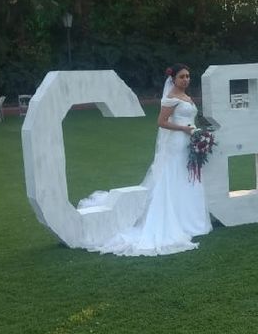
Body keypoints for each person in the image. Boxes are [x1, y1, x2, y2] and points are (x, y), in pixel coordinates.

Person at [87, 63, 211, 256]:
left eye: (188, 76)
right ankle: (174, 220)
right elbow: (161, 122)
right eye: (182, 77)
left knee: (188, 179)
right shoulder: (170, 98)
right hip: (177, 142)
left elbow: (190, 120)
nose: (186, 79)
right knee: (174, 177)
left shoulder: (187, 97)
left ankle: (190, 221)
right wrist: (184, 129)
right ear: (173, 79)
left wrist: (198, 134)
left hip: (190, 141)